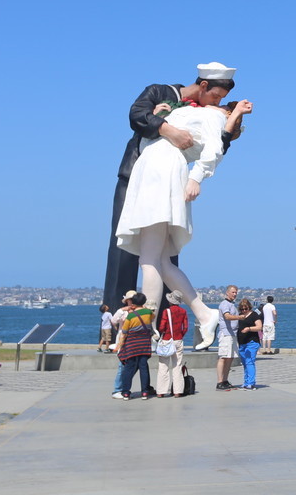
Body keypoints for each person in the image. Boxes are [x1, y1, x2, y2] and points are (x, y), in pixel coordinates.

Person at [104, 62, 251, 309]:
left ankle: (162, 319)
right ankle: (118, 317)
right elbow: (137, 115)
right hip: (134, 177)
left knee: (165, 255)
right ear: (203, 86)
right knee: (124, 252)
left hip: (168, 180)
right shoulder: (159, 92)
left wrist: (232, 117)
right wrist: (167, 129)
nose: (216, 103)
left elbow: (217, 147)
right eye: (215, 96)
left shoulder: (209, 114)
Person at [115, 292, 155, 401]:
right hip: (144, 344)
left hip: (132, 345)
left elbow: (124, 331)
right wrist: (145, 308)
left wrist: (120, 345)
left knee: (129, 368)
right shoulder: (148, 312)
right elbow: (152, 318)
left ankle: (126, 392)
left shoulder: (131, 316)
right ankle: (145, 392)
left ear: (133, 303)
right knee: (143, 367)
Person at [156, 290, 189, 397]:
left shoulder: (167, 311)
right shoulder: (183, 311)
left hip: (167, 340)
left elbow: (161, 327)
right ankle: (178, 391)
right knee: (177, 366)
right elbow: (186, 327)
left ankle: (161, 391)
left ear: (170, 301)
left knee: (163, 366)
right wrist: (180, 335)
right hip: (178, 340)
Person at [216, 285, 240, 390]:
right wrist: (240, 317)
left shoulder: (232, 305)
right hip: (226, 334)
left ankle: (225, 380)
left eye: (236, 292)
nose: (234, 294)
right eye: (233, 292)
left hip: (233, 334)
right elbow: (227, 316)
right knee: (223, 357)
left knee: (230, 358)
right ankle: (220, 381)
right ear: (227, 293)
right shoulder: (224, 304)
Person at [235, 299, 262, 390]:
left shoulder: (254, 315)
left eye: (245, 309)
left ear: (249, 307)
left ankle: (251, 382)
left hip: (252, 342)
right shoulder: (240, 316)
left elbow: (259, 327)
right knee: (245, 363)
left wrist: (249, 329)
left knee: (249, 361)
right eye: (242, 309)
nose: (244, 311)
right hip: (242, 343)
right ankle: (246, 382)